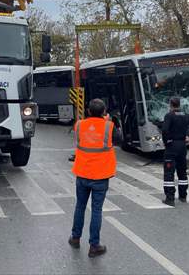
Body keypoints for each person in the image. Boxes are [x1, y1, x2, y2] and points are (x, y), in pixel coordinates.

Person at [69, 98, 120, 258]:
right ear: (104, 112)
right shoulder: (109, 127)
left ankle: (75, 238)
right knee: (96, 209)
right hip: (100, 175)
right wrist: (107, 121)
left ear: (89, 111)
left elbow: (80, 140)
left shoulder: (79, 125)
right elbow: (119, 140)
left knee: (80, 206)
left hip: (82, 173)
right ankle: (94, 245)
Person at [161, 96, 189, 206]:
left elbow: (164, 130)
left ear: (171, 105)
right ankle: (183, 196)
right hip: (183, 146)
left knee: (169, 173)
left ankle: (170, 198)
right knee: (182, 171)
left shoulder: (169, 116)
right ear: (179, 104)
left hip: (171, 146)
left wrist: (166, 141)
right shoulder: (186, 116)